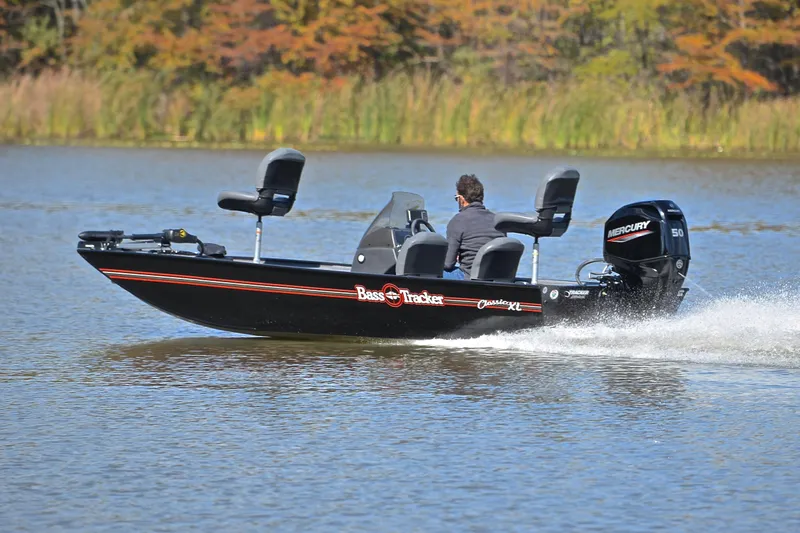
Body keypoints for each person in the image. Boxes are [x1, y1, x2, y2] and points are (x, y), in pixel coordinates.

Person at [443, 174, 504, 279]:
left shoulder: (458, 221)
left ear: (462, 199)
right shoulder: (498, 221)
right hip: (496, 278)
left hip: (470, 277)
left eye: (456, 198)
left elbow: (447, 264)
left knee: (427, 272)